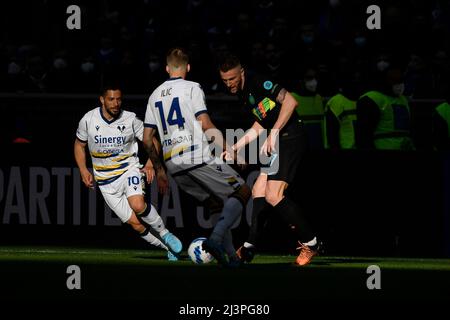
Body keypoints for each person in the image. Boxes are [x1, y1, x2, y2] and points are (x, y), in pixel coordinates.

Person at [142, 48, 251, 267]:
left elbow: (146, 139)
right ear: (188, 68)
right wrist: (229, 149)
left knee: (214, 204)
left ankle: (231, 258)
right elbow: (205, 122)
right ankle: (215, 240)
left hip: (173, 163)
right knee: (243, 190)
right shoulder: (192, 88)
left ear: (166, 68)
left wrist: (160, 169)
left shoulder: (154, 95)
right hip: (194, 154)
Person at [219, 54, 320, 266]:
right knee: (258, 191)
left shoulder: (258, 82)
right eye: (225, 80)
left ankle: (311, 242)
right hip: (278, 140)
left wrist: (274, 132)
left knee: (274, 195)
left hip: (291, 137)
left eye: (232, 79)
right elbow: (259, 124)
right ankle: (249, 247)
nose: (229, 84)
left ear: (242, 73)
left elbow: (291, 101)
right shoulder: (243, 94)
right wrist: (235, 146)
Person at [74, 84, 183, 260]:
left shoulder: (130, 119)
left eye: (118, 99)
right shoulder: (88, 119)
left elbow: (153, 141)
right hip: (105, 181)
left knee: (138, 205)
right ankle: (168, 248)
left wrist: (149, 163)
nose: (116, 103)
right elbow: (79, 145)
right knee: (136, 224)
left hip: (128, 170)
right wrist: (82, 169)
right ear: (102, 99)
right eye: (111, 99)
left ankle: (165, 233)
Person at [356, 68, 415, 150]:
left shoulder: (403, 99)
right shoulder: (372, 99)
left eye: (401, 82)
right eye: (395, 82)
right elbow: (363, 133)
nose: (400, 86)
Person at [291, 67, 327, 150]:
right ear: (300, 80)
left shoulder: (319, 99)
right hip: (298, 151)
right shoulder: (291, 98)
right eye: (309, 78)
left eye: (316, 77)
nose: (314, 81)